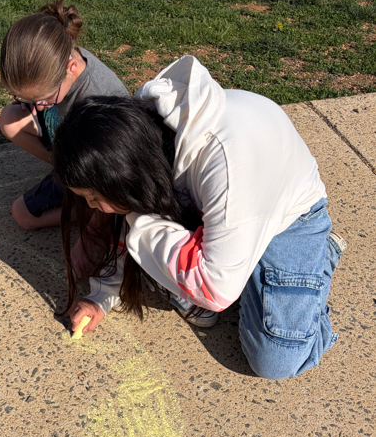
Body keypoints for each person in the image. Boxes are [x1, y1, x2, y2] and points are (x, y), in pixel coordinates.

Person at [52, 57, 346, 380]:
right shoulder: (142, 140)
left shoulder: (223, 164)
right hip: (237, 207)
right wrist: (100, 297)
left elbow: (215, 290)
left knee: (274, 359)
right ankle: (250, 265)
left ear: (124, 178)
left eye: (95, 197)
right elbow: (128, 217)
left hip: (290, 219)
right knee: (179, 260)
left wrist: (142, 224)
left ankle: (320, 256)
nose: (96, 209)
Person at [0, 0, 129, 232]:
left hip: (99, 167)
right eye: (28, 100)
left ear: (70, 69)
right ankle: (65, 169)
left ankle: (89, 207)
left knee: (23, 214)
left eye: (45, 98)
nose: (38, 107)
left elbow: (115, 165)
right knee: (10, 119)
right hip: (75, 144)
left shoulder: (100, 100)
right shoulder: (60, 58)